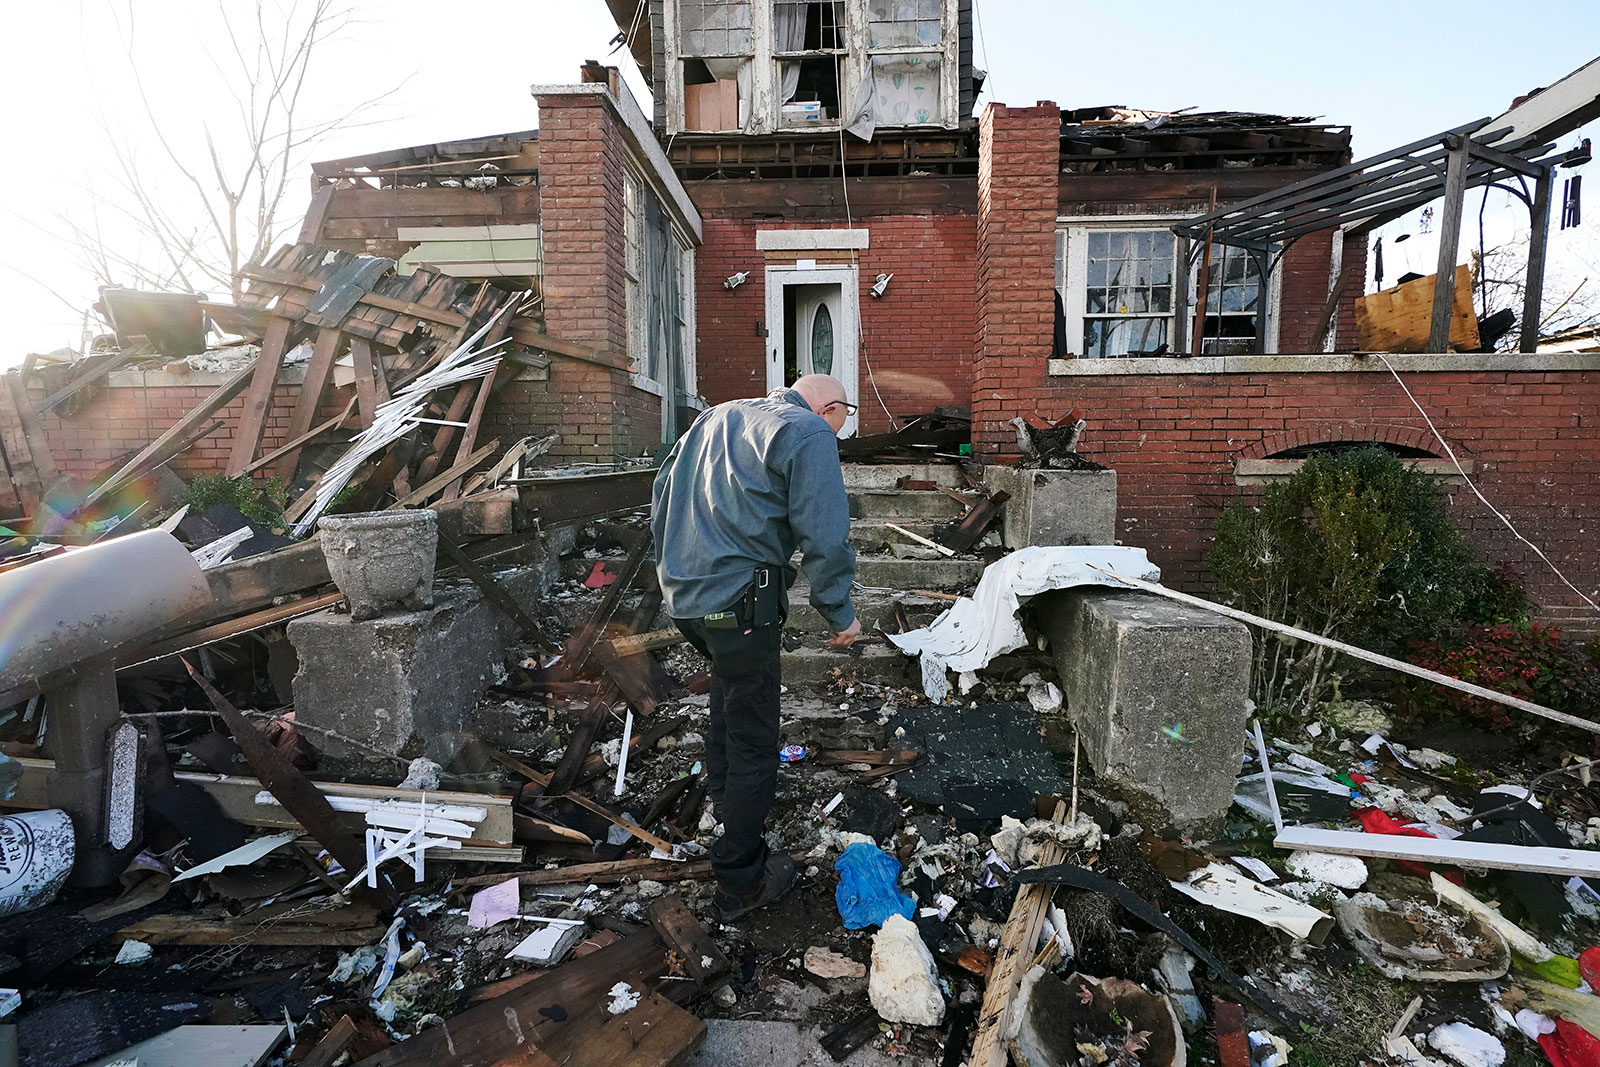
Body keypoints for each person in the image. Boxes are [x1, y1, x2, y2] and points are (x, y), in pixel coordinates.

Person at [651, 373, 861, 922]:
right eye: (845, 418)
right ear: (830, 406)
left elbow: (660, 497)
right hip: (742, 602)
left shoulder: (716, 416)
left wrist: (672, 575)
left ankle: (726, 808)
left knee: (729, 700)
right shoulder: (808, 431)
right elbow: (823, 532)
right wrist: (838, 609)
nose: (839, 432)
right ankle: (741, 878)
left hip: (687, 598)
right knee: (753, 733)